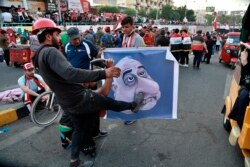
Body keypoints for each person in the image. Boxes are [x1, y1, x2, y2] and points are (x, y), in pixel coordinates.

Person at [31, 18, 144, 167]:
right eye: (57, 35)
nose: (60, 39)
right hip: (77, 97)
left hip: (66, 100)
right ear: (48, 36)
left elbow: (63, 74)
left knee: (79, 129)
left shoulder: (39, 55)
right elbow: (70, 73)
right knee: (107, 101)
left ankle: (74, 161)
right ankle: (133, 105)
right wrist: (104, 73)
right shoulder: (51, 51)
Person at [59, 59, 115, 157]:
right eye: (95, 78)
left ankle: (94, 132)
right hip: (69, 129)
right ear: (87, 82)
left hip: (76, 119)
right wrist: (110, 70)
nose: (97, 80)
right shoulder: (81, 93)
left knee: (95, 107)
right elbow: (105, 91)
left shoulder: (84, 84)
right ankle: (76, 144)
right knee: (90, 149)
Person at [229, 44, 250, 129]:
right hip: (247, 84)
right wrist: (244, 58)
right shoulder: (245, 57)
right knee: (244, 95)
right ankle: (239, 121)